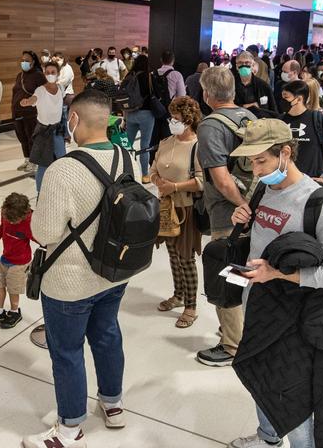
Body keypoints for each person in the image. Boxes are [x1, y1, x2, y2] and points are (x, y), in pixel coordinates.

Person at [23, 89, 140, 448]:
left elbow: (44, 232)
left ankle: (70, 430)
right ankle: (113, 404)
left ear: (73, 120)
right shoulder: (126, 157)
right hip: (112, 271)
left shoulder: (64, 170)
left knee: (67, 351)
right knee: (107, 335)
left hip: (69, 281)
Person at [227, 119, 323, 448]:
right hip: (261, 307)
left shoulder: (321, 204)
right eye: (250, 162)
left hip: (297, 319)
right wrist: (243, 220)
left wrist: (279, 274)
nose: (255, 171)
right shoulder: (266, 189)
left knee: (296, 400)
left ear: (285, 153)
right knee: (260, 374)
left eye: (261, 161)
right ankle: (268, 436)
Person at [195, 66, 256, 367]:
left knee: (226, 274)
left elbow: (220, 179)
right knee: (244, 272)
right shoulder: (250, 118)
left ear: (207, 94)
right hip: (254, 210)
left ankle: (232, 344)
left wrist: (241, 205)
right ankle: (242, 330)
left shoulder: (210, 126)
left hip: (228, 214)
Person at [150, 96, 204, 328]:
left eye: (177, 119)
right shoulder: (165, 142)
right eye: (171, 118)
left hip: (187, 208)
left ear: (189, 120)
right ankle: (178, 294)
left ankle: (191, 305)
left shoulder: (198, 146)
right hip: (166, 207)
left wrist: (175, 187)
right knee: (172, 254)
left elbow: (202, 181)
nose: (172, 122)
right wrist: (157, 180)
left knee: (186, 257)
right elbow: (152, 169)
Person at [0, 192, 34, 329]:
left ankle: (14, 312)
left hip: (20, 263)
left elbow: (41, 239)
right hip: (5, 258)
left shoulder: (29, 223)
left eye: (13, 221)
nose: (10, 222)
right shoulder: (6, 214)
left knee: (13, 288)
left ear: (23, 215)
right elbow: (2, 227)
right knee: (0, 284)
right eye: (7, 219)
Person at [279, 80, 323, 180]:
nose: (282, 101)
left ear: (299, 99)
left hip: (309, 183)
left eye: (286, 97)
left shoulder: (317, 119)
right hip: (282, 182)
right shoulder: (280, 121)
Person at [20, 62, 65, 192]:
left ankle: (58, 189)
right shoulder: (40, 90)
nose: (50, 75)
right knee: (43, 164)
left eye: (53, 72)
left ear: (58, 74)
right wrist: (28, 102)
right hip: (43, 131)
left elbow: (60, 108)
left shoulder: (61, 88)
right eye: (48, 72)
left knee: (61, 161)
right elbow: (34, 98)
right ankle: (41, 193)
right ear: (44, 74)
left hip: (57, 130)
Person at [12, 50, 47, 172]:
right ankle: (27, 159)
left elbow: (44, 93)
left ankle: (34, 161)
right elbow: (15, 93)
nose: (24, 62)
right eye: (22, 60)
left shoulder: (39, 75)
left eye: (26, 61)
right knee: (22, 137)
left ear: (33, 62)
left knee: (31, 137)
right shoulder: (19, 75)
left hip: (31, 113)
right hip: (18, 112)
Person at [124, 54, 155, 183]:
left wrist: (125, 118)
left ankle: (126, 172)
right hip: (146, 114)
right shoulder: (148, 76)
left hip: (130, 113)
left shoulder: (129, 76)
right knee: (144, 145)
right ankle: (145, 175)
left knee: (127, 144)